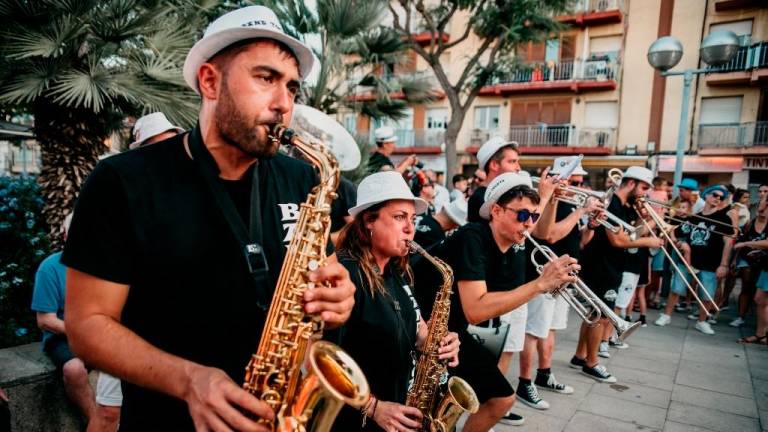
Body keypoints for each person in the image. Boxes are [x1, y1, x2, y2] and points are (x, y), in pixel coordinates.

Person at [62, 6, 357, 431]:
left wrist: (339, 296)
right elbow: (86, 326)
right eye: (266, 78)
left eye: (293, 88)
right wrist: (188, 380)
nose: (284, 104)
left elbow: (324, 274)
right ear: (210, 81)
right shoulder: (122, 182)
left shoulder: (302, 178)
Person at [413, 172, 576, 431]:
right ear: (497, 211)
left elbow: (503, 299)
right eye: (522, 216)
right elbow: (476, 309)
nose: (529, 224)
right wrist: (540, 284)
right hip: (419, 329)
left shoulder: (512, 246)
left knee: (503, 398)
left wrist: (549, 285)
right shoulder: (472, 237)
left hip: (452, 333)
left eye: (534, 216)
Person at [326, 171, 460, 431]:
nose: (410, 228)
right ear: (368, 221)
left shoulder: (396, 270)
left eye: (412, 218)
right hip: (358, 420)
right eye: (400, 217)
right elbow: (323, 360)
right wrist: (373, 408)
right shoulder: (345, 274)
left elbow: (416, 326)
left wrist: (438, 341)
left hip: (399, 410)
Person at [515, 157, 602, 410]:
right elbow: (549, 234)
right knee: (534, 331)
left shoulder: (567, 202)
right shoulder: (551, 202)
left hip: (565, 274)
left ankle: (544, 374)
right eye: (573, 180)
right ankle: (524, 382)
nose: (579, 185)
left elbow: (579, 240)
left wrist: (590, 227)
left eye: (580, 181)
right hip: (544, 273)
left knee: (551, 329)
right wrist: (581, 211)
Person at [31, 213, 120, 432]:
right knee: (74, 369)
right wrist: (84, 332)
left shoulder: (104, 266)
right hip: (64, 335)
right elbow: (45, 321)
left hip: (102, 332)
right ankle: (97, 422)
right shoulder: (50, 267)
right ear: (65, 235)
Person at [574, 166, 663, 380]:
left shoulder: (628, 206)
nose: (645, 193)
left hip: (612, 265)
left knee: (593, 314)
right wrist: (648, 242)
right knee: (602, 314)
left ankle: (580, 355)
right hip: (600, 264)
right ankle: (591, 363)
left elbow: (632, 233)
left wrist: (649, 220)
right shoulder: (612, 203)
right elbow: (618, 240)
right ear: (631, 183)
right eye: (643, 187)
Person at [654, 185, 737, 334]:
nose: (718, 198)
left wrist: (724, 265)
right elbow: (673, 230)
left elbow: (728, 243)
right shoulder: (694, 217)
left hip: (710, 263)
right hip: (687, 261)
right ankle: (666, 315)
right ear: (706, 196)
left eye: (721, 197)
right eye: (715, 195)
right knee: (676, 289)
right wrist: (681, 243)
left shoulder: (723, 219)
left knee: (707, 294)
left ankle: (702, 321)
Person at [727, 203, 767, 328]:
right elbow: (740, 241)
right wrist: (734, 260)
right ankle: (741, 316)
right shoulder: (749, 224)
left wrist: (749, 245)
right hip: (746, 259)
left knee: (758, 293)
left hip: (763, 262)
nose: (761, 212)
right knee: (746, 287)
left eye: (764, 209)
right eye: (759, 210)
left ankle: (757, 320)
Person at [467, 137, 521, 223]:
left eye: (518, 162)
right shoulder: (481, 198)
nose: (518, 168)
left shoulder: (501, 194)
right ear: (494, 165)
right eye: (512, 162)